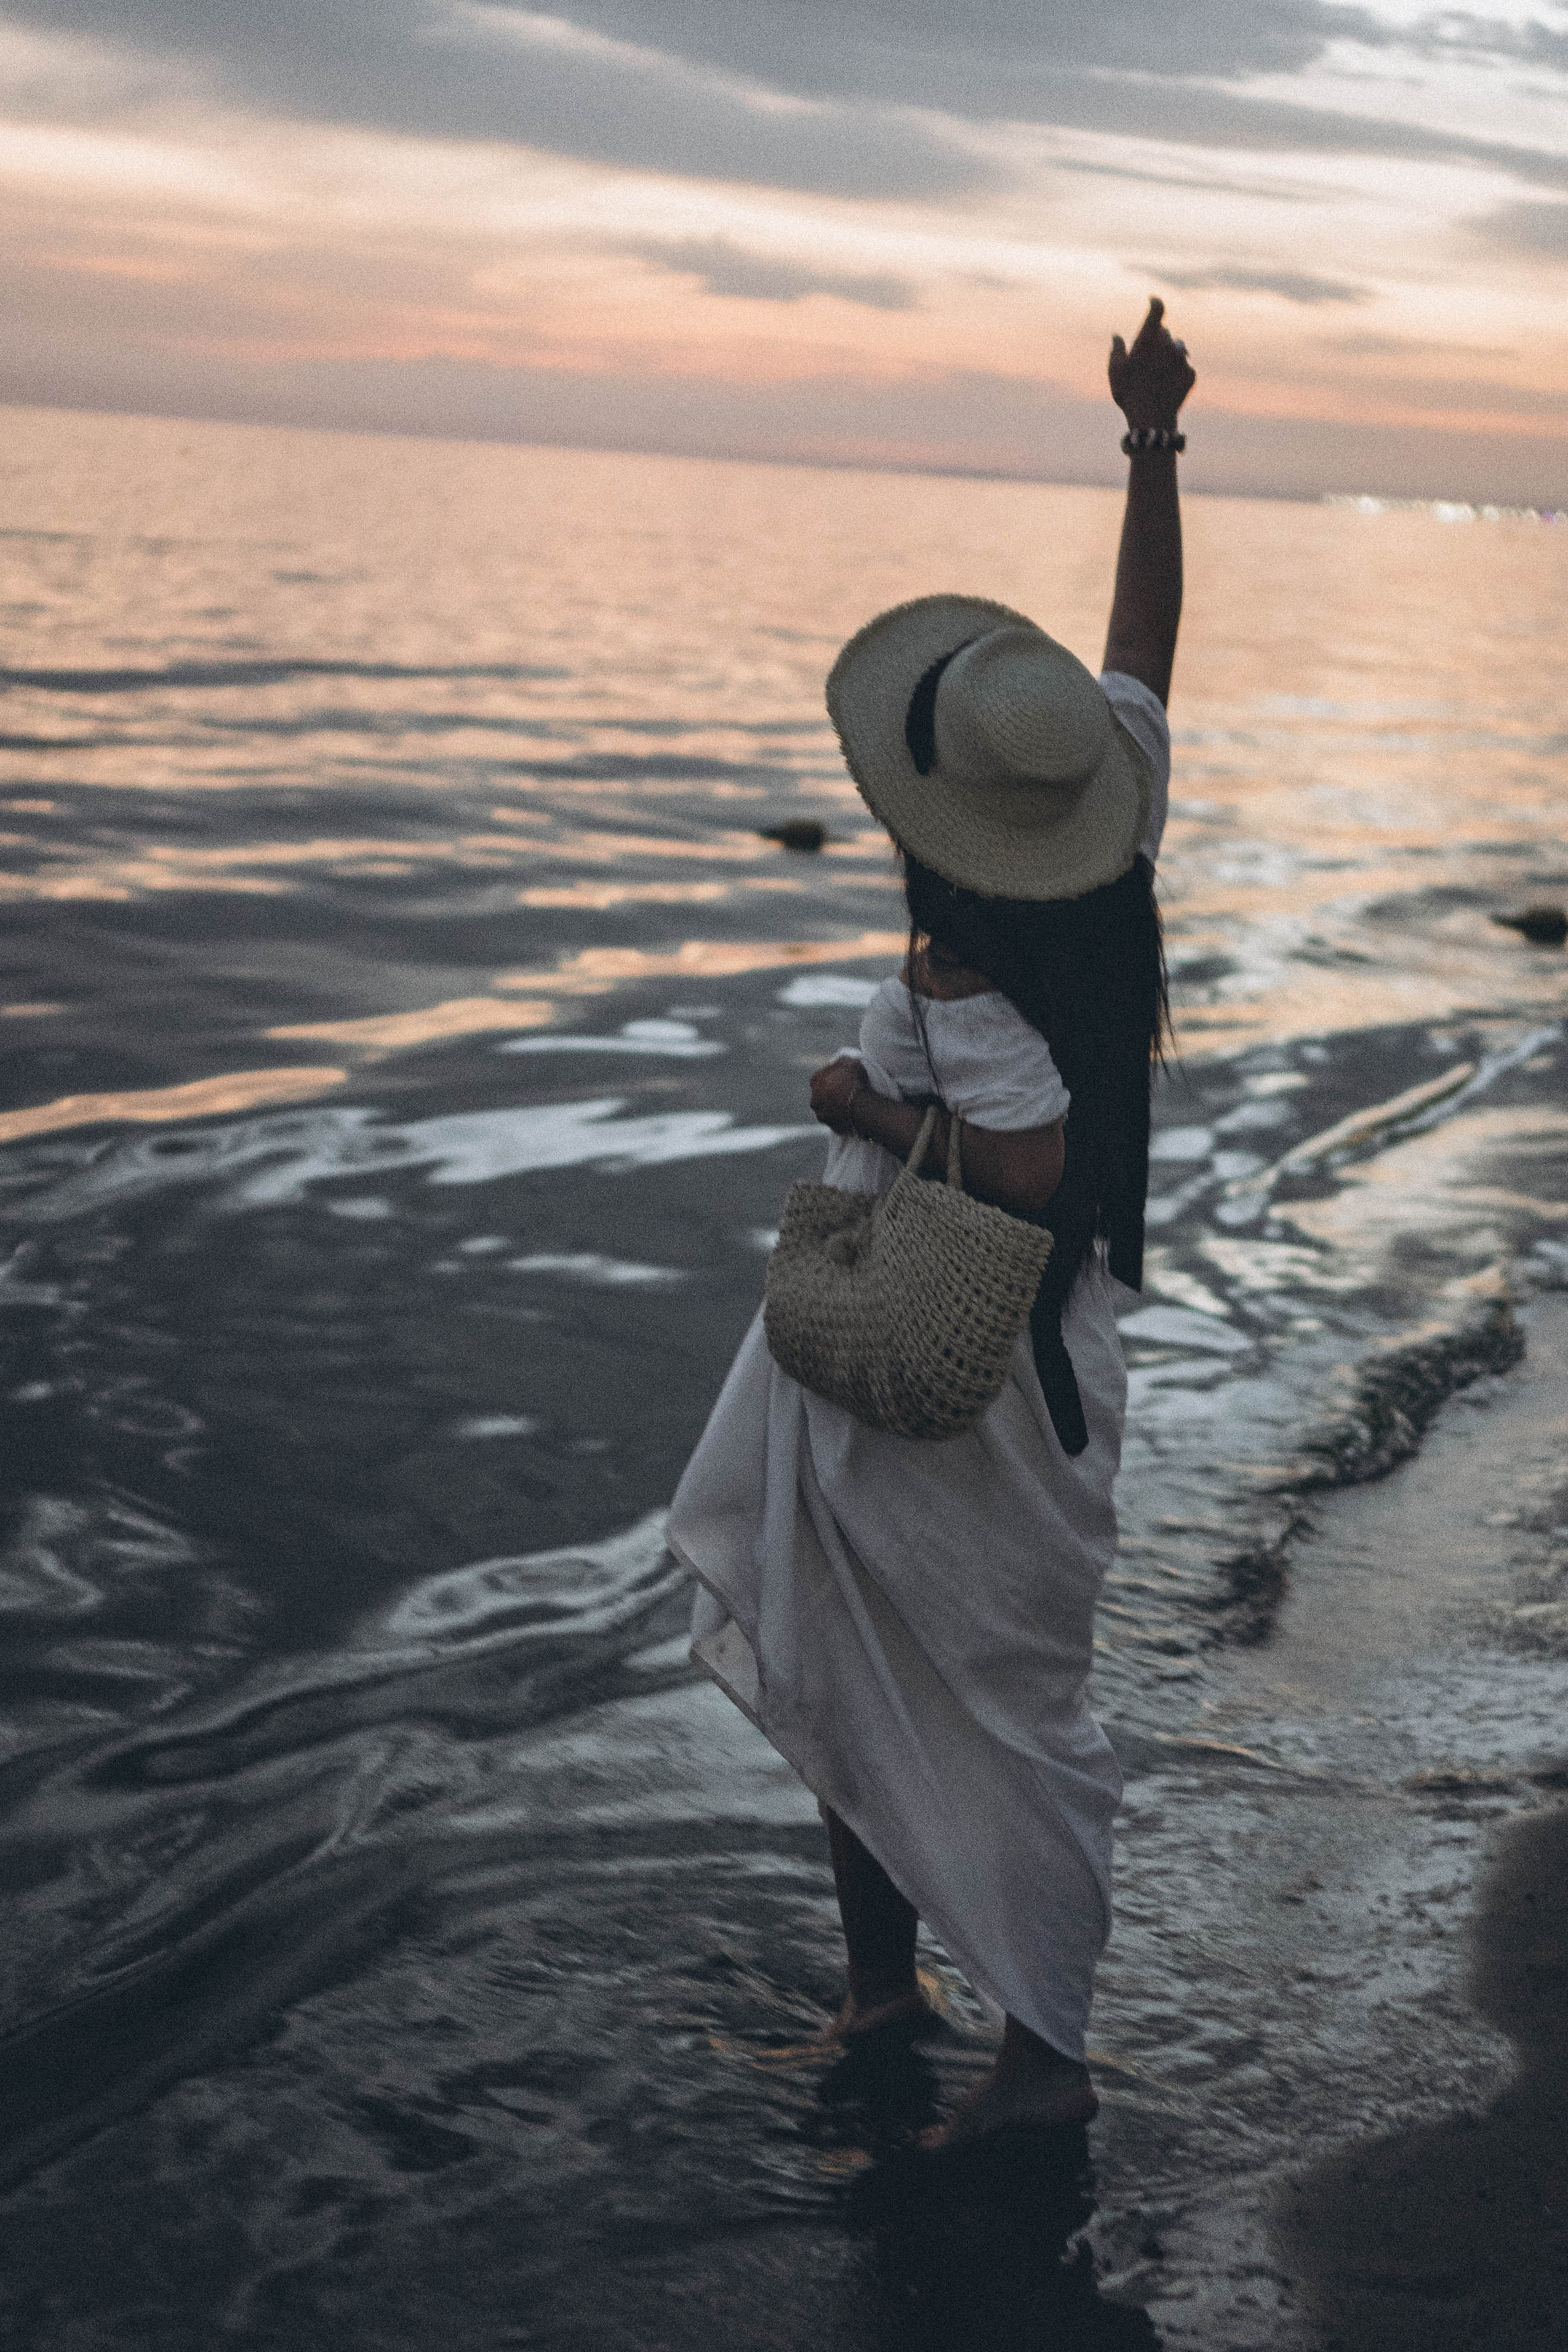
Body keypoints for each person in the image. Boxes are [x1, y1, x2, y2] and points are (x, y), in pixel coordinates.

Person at [669, 298, 1194, 2149]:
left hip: (980, 1370)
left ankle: (1042, 2061)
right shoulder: (1109, 815)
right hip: (961, 1341)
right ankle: (883, 1988)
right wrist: (1150, 440)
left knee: (985, 1695)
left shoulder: (967, 934)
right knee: (859, 1657)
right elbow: (1142, 646)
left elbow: (1028, 1176)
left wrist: (858, 1106)